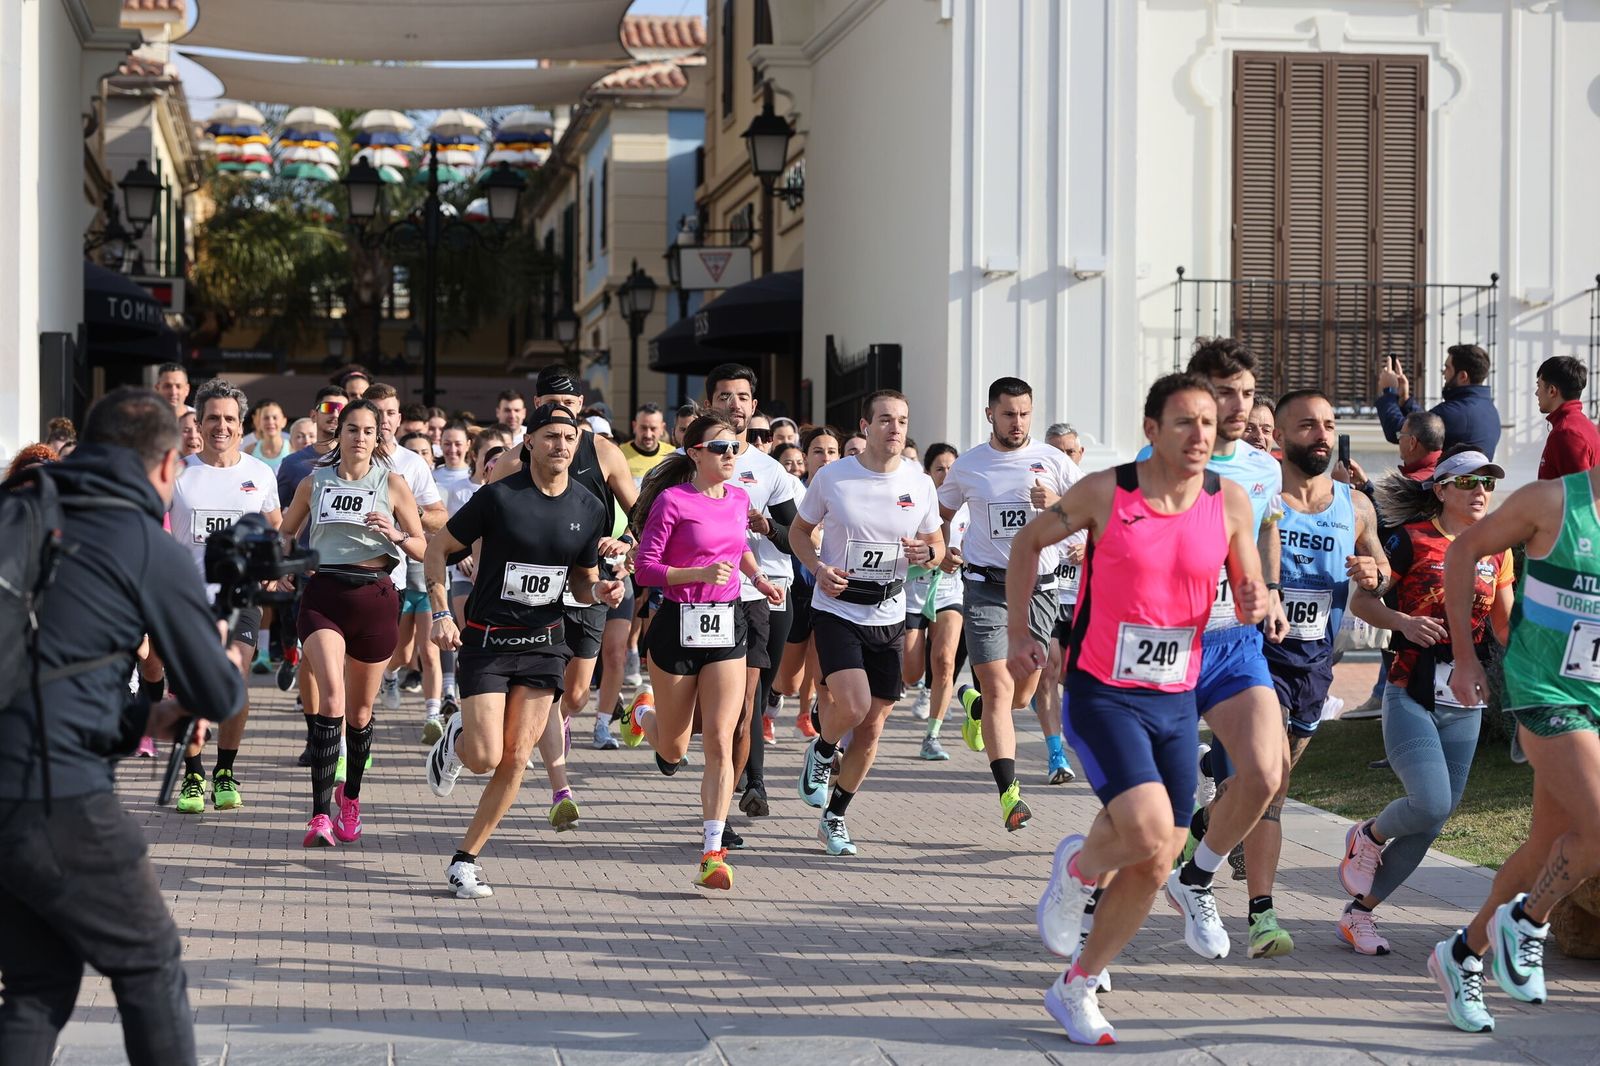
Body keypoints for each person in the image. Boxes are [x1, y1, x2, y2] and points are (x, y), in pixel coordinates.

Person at [1017, 373, 1265, 1045]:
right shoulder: (1108, 490)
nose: (1200, 435)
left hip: (1175, 697)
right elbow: (1026, 546)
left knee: (1160, 857)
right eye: (1184, 422)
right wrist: (1020, 634)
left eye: (1208, 423)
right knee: (1154, 826)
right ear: (1151, 429)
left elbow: (1247, 578)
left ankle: (1077, 983)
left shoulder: (1231, 500)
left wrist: (1256, 599)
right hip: (1102, 692)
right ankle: (1079, 871)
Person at [0, 387, 245, 1066]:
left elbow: (46, 664)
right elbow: (219, 693)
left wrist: (148, 716)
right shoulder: (142, 538)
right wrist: (227, 646)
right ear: (167, 466)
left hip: (14, 779)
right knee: (152, 963)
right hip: (56, 795)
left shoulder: (23, 506)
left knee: (37, 984)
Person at [1425, 459, 1600, 1033]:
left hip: (1594, 701)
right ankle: (1527, 921)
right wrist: (1467, 657)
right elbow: (1461, 552)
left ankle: (1462, 955)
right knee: (1597, 827)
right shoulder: (1551, 501)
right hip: (1544, 690)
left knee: (1547, 847)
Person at [423, 404, 622, 898]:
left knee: (515, 758)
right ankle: (457, 739)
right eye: (551, 435)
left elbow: (581, 582)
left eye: (569, 437)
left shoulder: (589, 507)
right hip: (488, 641)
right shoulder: (497, 498)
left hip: (545, 644)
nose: (561, 444)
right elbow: (437, 549)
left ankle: (465, 860)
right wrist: (442, 612)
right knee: (485, 756)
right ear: (528, 442)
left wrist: (601, 594)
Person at [1335, 450, 1512, 969]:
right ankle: (1367, 835)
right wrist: (1403, 623)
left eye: (1487, 482)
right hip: (1408, 688)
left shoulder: (1498, 549)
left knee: (1435, 819)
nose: (1481, 490)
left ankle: (1359, 912)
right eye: (1469, 482)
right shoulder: (1408, 538)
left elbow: (1502, 626)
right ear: (1441, 489)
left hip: (1465, 695)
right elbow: (1362, 603)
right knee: (1431, 803)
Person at [1150, 339, 1287, 963]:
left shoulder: (1263, 468)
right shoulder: (1152, 463)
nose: (1238, 405)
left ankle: (1198, 877)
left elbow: (1264, 529)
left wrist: (1272, 590)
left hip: (1236, 641)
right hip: (1167, 643)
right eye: (1224, 392)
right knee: (1151, 808)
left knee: (1264, 773)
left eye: (1249, 393)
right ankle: (1089, 906)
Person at [1240, 390, 1387, 958]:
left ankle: (1208, 828)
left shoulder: (1356, 505)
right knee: (1269, 779)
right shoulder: (1258, 495)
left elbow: (1382, 570)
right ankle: (1262, 915)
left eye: (1329, 424)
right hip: (1257, 653)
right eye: (1308, 425)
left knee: (1270, 787)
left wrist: (1374, 572)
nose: (1322, 435)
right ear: (1280, 437)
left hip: (1316, 662)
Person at [621, 412, 784, 889]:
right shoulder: (672, 501)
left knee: (719, 737)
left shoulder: (739, 497)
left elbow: (737, 550)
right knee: (673, 745)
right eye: (720, 448)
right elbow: (646, 570)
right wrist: (696, 574)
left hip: (727, 625)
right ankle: (643, 717)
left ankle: (713, 852)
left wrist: (757, 579)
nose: (731, 455)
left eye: (735, 448)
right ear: (695, 454)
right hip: (677, 624)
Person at [790, 391, 943, 854]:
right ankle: (821, 750)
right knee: (853, 706)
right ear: (865, 425)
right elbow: (798, 532)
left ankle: (834, 817)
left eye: (902, 421)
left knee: (874, 727)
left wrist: (928, 553)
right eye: (885, 420)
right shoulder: (835, 477)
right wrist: (818, 568)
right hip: (838, 607)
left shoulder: (919, 483)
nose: (895, 429)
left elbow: (935, 543)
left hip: (890, 612)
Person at [279, 400, 427, 846]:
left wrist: (395, 533)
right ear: (337, 434)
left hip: (376, 596)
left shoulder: (393, 483)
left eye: (369, 430)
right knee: (332, 698)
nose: (360, 437)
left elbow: (422, 546)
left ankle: (351, 800)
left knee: (361, 713)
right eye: (352, 429)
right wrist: (287, 563)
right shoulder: (313, 481)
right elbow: (286, 531)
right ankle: (318, 814)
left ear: (378, 438)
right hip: (324, 595)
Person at [494, 367, 638, 822]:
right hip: (534, 590)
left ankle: (557, 726)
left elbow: (643, 514)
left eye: (571, 405)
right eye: (550, 405)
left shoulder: (604, 452)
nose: (562, 415)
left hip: (589, 581)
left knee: (576, 695)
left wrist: (627, 543)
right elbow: (484, 520)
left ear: (581, 408)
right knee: (549, 688)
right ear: (535, 408)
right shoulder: (512, 460)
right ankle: (561, 789)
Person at [938, 376, 1082, 830]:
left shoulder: (1054, 461)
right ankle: (1010, 795)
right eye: (1007, 414)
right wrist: (942, 551)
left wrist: (1057, 502)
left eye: (1023, 414)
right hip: (985, 586)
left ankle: (975, 707)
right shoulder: (969, 466)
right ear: (989, 415)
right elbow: (937, 514)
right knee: (1001, 689)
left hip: (1039, 589)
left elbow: (1093, 511)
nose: (1016, 422)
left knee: (1020, 696)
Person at [166, 378, 283, 814]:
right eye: (212, 417)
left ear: (241, 424)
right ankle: (193, 776)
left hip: (240, 599)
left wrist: (272, 568)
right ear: (198, 421)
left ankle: (225, 771)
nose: (221, 426)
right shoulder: (178, 473)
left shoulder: (259, 473)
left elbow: (277, 529)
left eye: (229, 419)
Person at [699, 364, 801, 827]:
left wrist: (768, 527)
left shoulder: (769, 470)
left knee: (754, 698)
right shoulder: (694, 462)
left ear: (753, 407)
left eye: (742, 397)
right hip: (711, 595)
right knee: (733, 702)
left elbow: (798, 536)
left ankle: (747, 778)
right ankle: (750, 781)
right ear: (709, 403)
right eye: (724, 396)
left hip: (768, 591)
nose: (733, 405)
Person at [773, 426, 842, 741]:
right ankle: (775, 695)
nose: (825, 458)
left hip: (836, 591)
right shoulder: (791, 491)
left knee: (825, 676)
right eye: (818, 451)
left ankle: (821, 736)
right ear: (805, 457)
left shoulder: (851, 491)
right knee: (787, 680)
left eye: (831, 452)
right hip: (799, 587)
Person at [910, 443, 969, 761]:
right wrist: (935, 557)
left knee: (945, 662)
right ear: (928, 472)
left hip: (950, 593)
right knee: (910, 671)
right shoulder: (913, 504)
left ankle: (932, 736)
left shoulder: (969, 508)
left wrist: (960, 559)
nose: (947, 476)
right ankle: (917, 687)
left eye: (952, 469)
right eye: (940, 469)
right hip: (911, 594)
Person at [1377, 344, 1501, 459]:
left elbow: (1401, 433)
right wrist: (1405, 399)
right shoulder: (1490, 411)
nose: (1443, 373)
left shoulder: (1453, 413)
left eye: (1447, 368)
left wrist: (1389, 391)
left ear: (1463, 376)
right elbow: (1428, 424)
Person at [1535, 355, 1599, 480]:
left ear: (1552, 390)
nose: (1536, 393)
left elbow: (1580, 494)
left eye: (1539, 386)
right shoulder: (1584, 425)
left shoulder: (1567, 433)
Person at [621, 402, 671, 488]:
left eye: (653, 428)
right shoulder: (619, 454)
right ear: (634, 426)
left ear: (662, 428)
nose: (648, 434)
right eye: (643, 428)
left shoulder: (672, 454)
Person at [246, 399, 289, 470]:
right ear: (259, 422)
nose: (270, 422)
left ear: (284, 421)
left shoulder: (293, 449)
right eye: (266, 418)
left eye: (275, 418)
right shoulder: (250, 450)